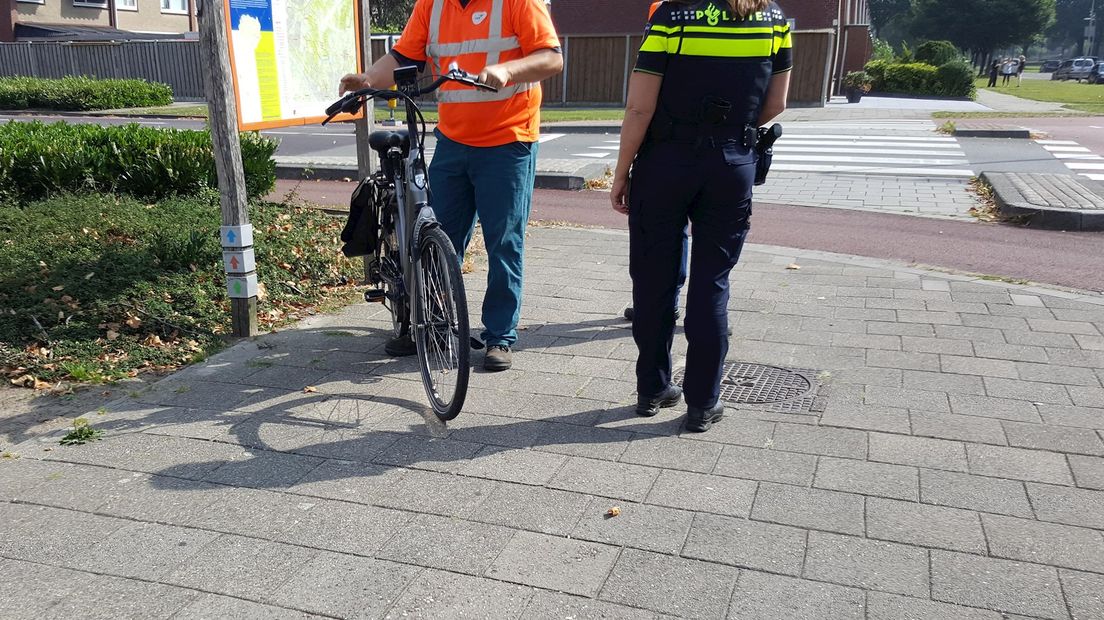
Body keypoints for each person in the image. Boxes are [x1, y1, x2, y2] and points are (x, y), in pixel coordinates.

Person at [339, 0, 563, 372]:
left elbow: (551, 58)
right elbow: (401, 55)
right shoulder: (433, 5)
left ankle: (499, 336)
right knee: (437, 239)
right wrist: (368, 79)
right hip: (453, 142)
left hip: (508, 141)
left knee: (504, 243)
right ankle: (436, 325)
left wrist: (507, 69)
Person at [610, 0, 791, 432]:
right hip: (732, 165)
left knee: (653, 279)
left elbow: (640, 107)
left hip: (666, 163)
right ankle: (703, 402)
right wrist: (732, 132)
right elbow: (776, 103)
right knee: (712, 283)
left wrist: (621, 173)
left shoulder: (672, 16)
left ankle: (652, 388)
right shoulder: (772, 19)